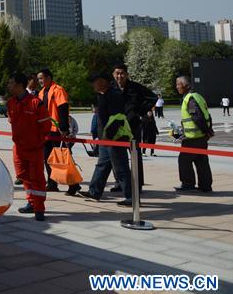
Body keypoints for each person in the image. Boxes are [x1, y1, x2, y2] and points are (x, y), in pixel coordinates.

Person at [79, 74, 133, 206]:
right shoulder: (102, 95)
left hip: (114, 138)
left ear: (102, 81)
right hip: (105, 138)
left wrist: (109, 137)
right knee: (102, 165)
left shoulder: (114, 95)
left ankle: (131, 197)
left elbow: (118, 118)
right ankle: (94, 191)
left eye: (95, 82)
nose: (93, 85)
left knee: (121, 167)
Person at [7, 72, 51, 221]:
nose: (9, 85)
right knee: (23, 176)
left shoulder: (35, 103)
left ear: (20, 85)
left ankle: (39, 208)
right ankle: (31, 202)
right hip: (18, 148)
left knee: (37, 178)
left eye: (11, 83)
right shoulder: (11, 103)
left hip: (34, 149)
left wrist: (38, 141)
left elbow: (46, 126)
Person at [111, 64, 156, 192]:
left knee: (135, 156)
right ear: (113, 75)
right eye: (117, 73)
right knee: (118, 158)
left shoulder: (135, 87)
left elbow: (153, 97)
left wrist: (140, 111)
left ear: (126, 74)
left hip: (132, 126)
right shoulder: (111, 87)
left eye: (122, 73)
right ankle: (120, 183)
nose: (119, 76)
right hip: (117, 128)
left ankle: (138, 184)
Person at [37, 68, 80, 195]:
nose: (40, 81)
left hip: (57, 129)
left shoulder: (58, 90)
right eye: (39, 79)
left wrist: (64, 127)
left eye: (42, 78)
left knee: (62, 158)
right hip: (46, 130)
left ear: (49, 78)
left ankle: (73, 185)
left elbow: (63, 108)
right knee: (47, 158)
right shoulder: (41, 92)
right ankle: (52, 183)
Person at [174, 76, 213, 193]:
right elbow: (207, 114)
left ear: (185, 85)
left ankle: (188, 184)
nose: (176, 87)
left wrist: (207, 131)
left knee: (184, 160)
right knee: (201, 160)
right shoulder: (198, 96)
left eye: (178, 84)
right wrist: (208, 131)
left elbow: (197, 116)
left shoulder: (190, 98)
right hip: (201, 136)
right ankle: (205, 186)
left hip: (193, 138)